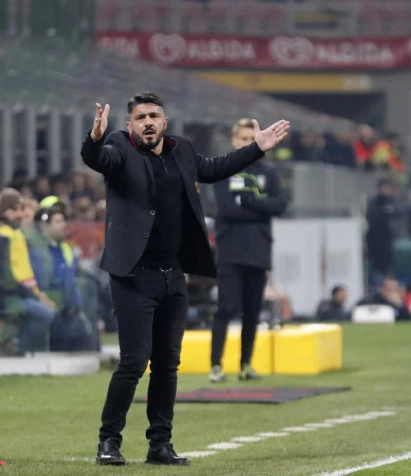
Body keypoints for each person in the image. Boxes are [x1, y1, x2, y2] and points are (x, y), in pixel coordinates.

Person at [81, 92, 289, 467]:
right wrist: (94, 139)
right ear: (129, 125)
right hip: (133, 275)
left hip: (173, 274)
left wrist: (256, 148)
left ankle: (160, 444)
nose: (147, 122)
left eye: (154, 115)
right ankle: (108, 441)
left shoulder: (183, 151)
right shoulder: (118, 147)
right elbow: (99, 160)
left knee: (167, 364)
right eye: (140, 117)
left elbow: (216, 168)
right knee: (133, 362)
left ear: (164, 122)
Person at [209, 118, 288, 384]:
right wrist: (261, 207)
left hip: (259, 250)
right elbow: (227, 210)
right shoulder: (223, 169)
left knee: (253, 310)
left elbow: (280, 205)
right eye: (242, 139)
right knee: (226, 307)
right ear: (234, 141)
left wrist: (249, 201)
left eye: (250, 138)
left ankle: (245, 365)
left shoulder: (269, 172)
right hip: (230, 250)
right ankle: (216, 366)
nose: (247, 143)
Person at [0, 188, 57, 354]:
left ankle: (15, 347)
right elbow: (2, 278)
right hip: (2, 298)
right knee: (47, 314)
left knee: (50, 312)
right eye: (14, 209)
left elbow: (24, 274)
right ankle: (17, 349)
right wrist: (34, 296)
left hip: (18, 296)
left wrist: (38, 295)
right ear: (2, 212)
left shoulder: (16, 236)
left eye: (21, 209)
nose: (20, 214)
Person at [26, 197, 93, 352]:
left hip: (72, 311)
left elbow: (73, 277)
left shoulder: (65, 248)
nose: (63, 225)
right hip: (55, 314)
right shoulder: (37, 250)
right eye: (57, 221)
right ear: (44, 225)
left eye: (63, 220)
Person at [366, 177, 404, 291]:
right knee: (377, 274)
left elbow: (399, 213)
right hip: (376, 244)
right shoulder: (374, 203)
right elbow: (374, 217)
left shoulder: (393, 203)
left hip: (390, 244)